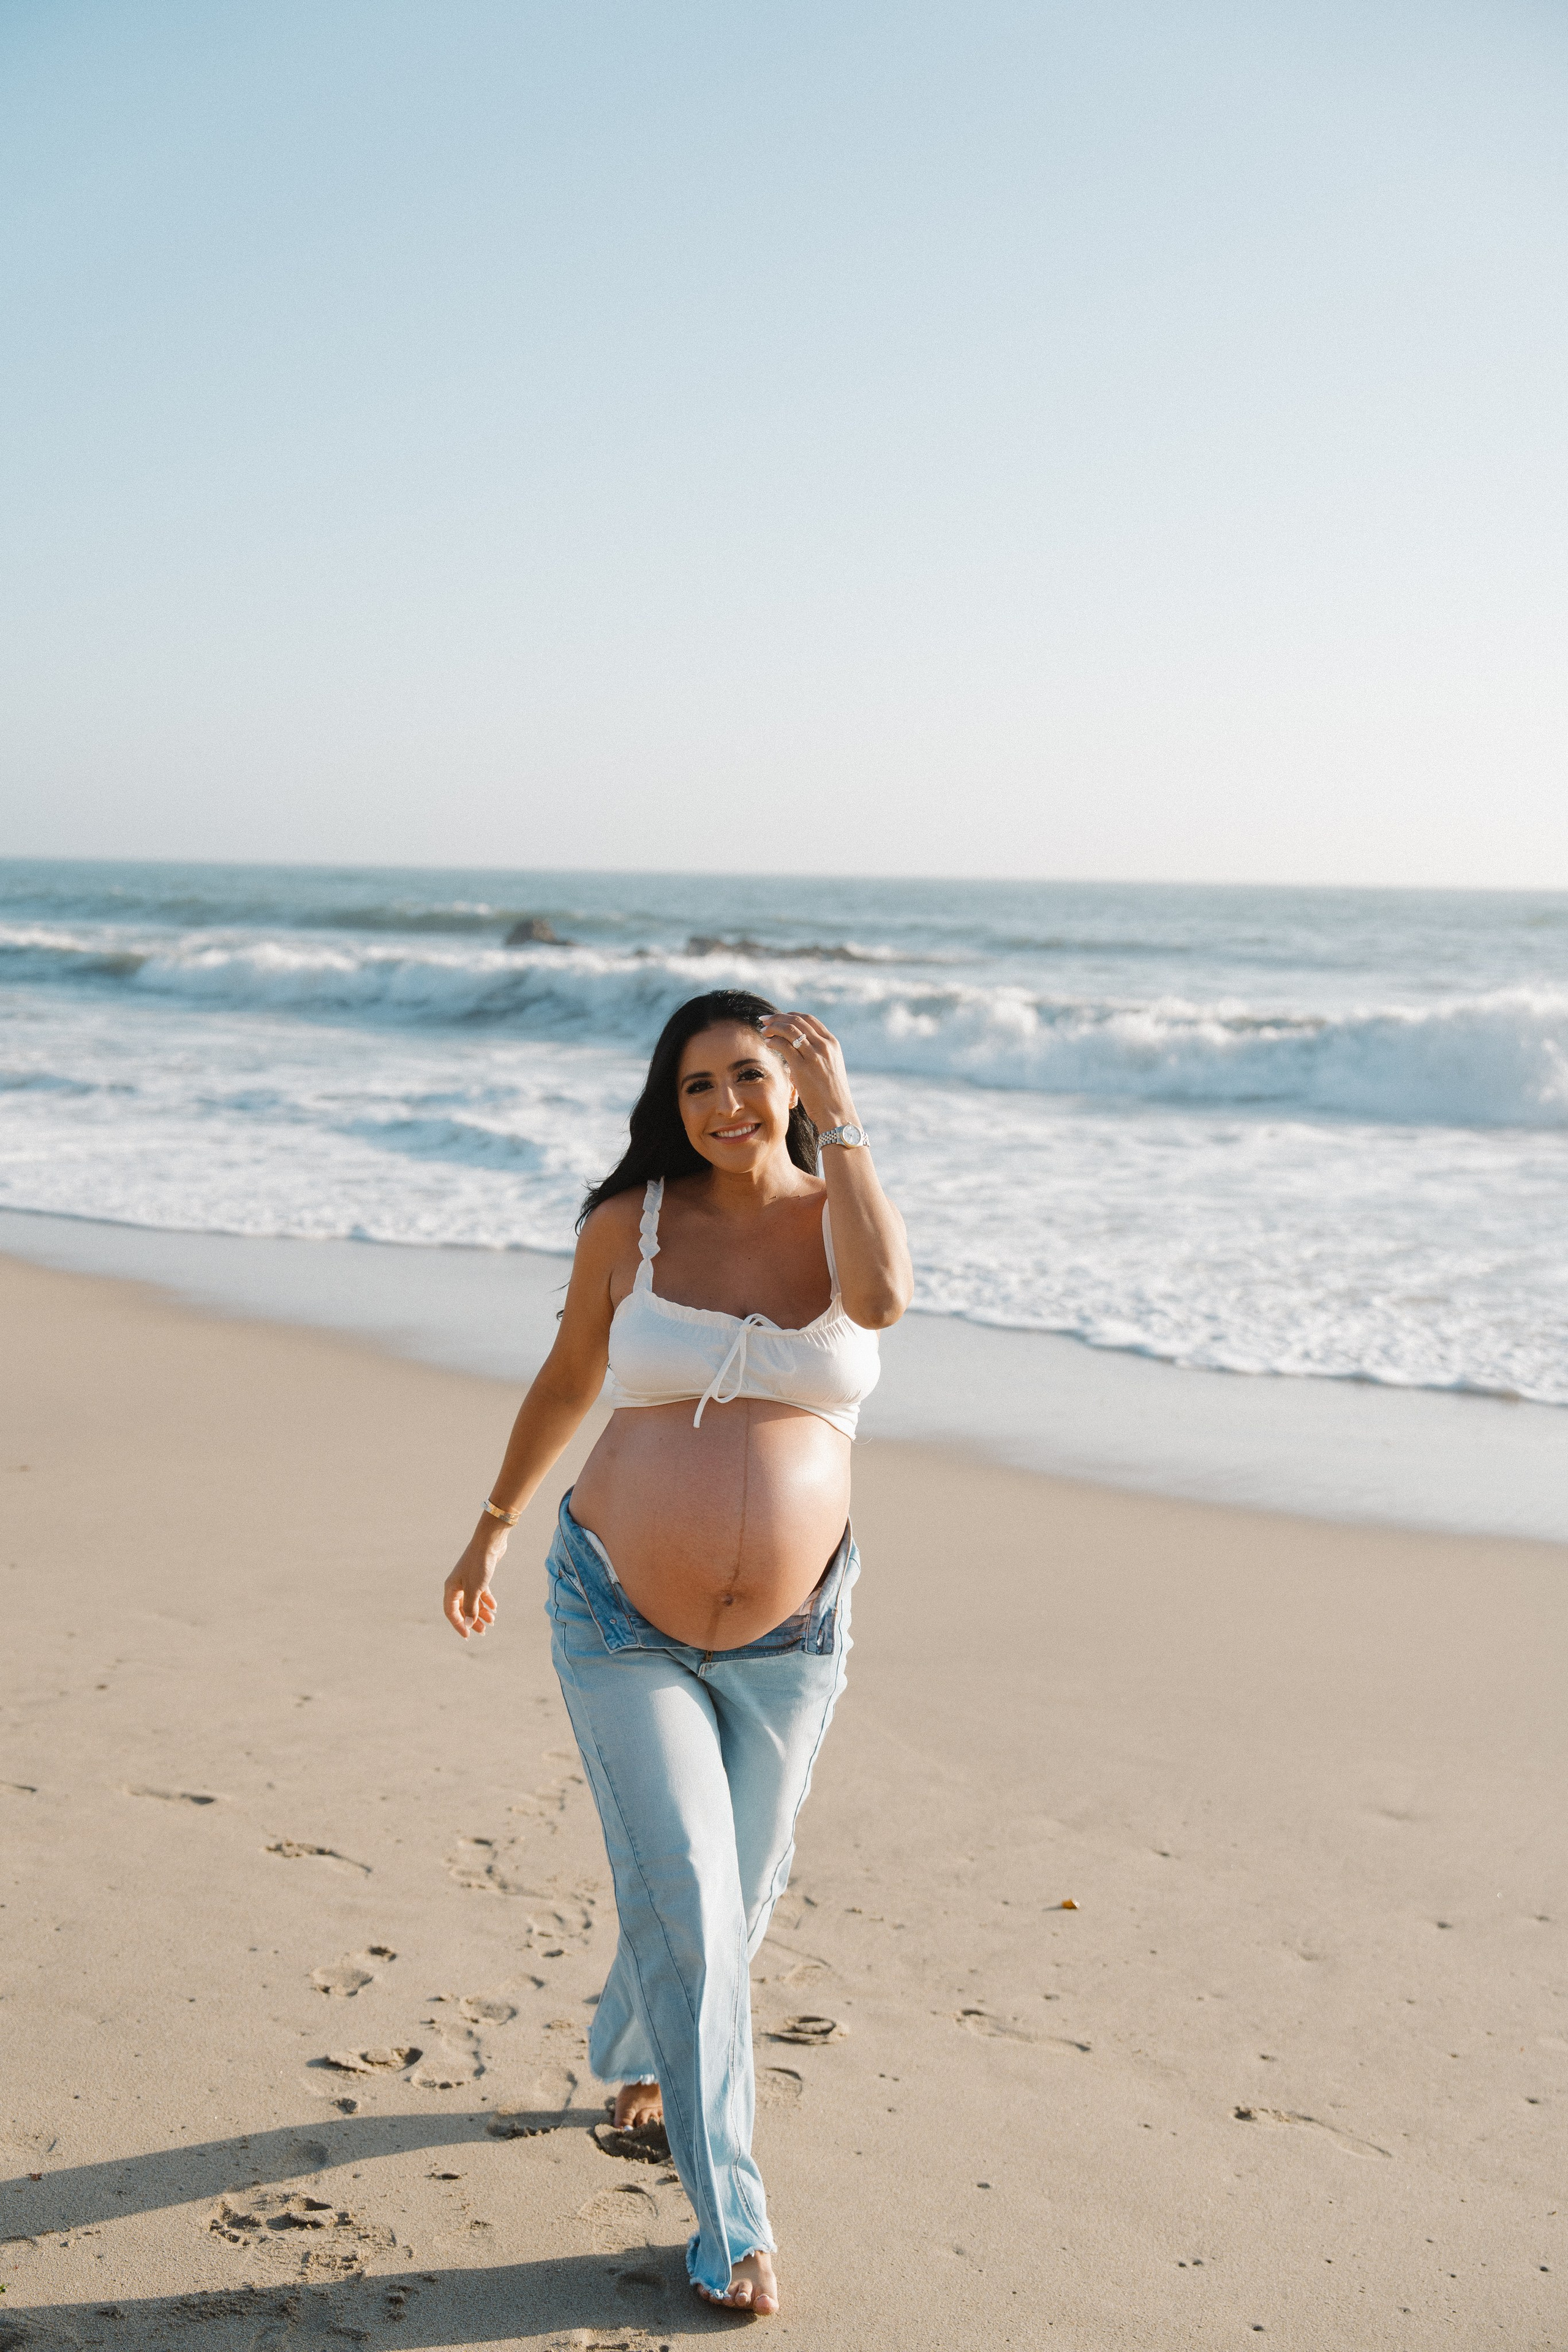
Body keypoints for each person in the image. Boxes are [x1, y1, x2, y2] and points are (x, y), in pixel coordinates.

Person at [442, 989, 911, 2315]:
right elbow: (565, 1380)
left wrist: (846, 1124)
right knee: (699, 1903)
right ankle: (730, 2225)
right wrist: (488, 1530)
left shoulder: (839, 1216)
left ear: (796, 1087)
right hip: (614, 1615)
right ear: (668, 1100)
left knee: (738, 1887)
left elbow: (882, 1299)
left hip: (796, 1627)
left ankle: (633, 2038)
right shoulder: (628, 1226)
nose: (723, 1107)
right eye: (696, 1084)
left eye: (749, 1079)